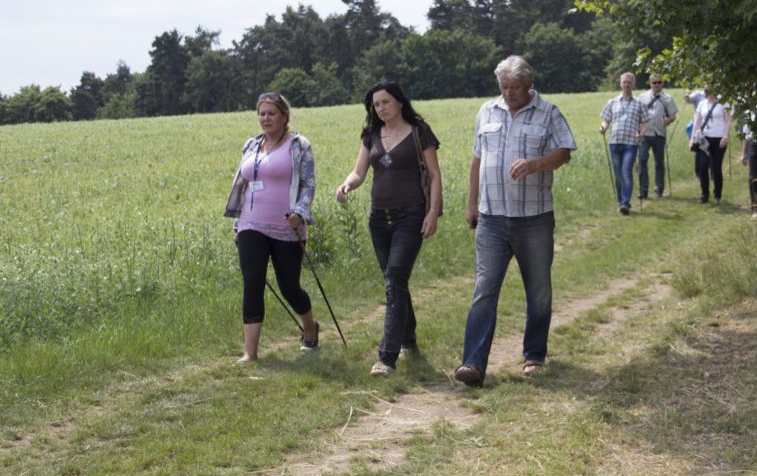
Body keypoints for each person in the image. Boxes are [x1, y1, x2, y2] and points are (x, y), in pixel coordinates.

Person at [455, 55, 576, 387]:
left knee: (538, 289)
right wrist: (472, 204)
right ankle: (472, 363)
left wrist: (535, 164)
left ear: (529, 85)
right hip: (491, 218)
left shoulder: (548, 112)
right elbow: (477, 160)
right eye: (504, 87)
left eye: (515, 87)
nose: (508, 93)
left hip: (534, 218)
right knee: (484, 289)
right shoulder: (486, 111)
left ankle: (534, 355)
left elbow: (564, 152)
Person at [335, 82, 442, 377]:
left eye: (385, 102)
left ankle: (387, 358)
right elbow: (359, 172)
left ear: (399, 102)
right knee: (395, 281)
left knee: (395, 278)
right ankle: (408, 339)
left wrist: (433, 212)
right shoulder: (371, 134)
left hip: (411, 215)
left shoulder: (419, 131)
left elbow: (434, 175)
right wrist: (347, 184)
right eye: (376, 104)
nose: (381, 108)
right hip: (379, 219)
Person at [224, 92, 319, 365]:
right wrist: (238, 223)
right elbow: (242, 184)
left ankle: (310, 327)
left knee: (289, 287)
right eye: (262, 113)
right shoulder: (251, 145)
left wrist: (300, 213)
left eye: (271, 113)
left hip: (286, 227)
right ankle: (250, 353)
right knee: (252, 282)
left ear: (284, 116)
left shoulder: (299, 145)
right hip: (250, 223)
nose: (265, 118)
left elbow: (308, 184)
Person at [599, 72, 650, 215]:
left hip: (631, 144)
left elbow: (645, 123)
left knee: (626, 172)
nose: (627, 84)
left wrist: (641, 133)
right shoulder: (612, 102)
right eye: (624, 82)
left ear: (633, 85)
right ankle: (620, 201)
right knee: (618, 175)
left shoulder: (639, 104)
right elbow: (606, 120)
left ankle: (626, 203)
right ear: (620, 84)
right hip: (615, 143)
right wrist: (603, 128)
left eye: (629, 82)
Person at [637, 75, 678, 199]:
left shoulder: (668, 98)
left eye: (659, 82)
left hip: (659, 133)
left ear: (662, 83)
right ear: (650, 84)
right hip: (644, 134)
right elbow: (637, 113)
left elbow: (673, 116)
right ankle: (643, 190)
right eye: (654, 82)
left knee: (659, 162)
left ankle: (659, 190)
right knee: (642, 159)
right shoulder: (642, 97)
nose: (656, 85)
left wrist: (668, 120)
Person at [691, 88, 732, 204]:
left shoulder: (724, 103)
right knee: (703, 166)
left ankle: (717, 195)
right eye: (706, 89)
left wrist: (725, 136)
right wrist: (692, 138)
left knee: (716, 167)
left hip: (719, 138)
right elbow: (697, 122)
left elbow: (728, 121)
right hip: (705, 138)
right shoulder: (702, 104)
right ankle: (704, 194)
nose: (708, 92)